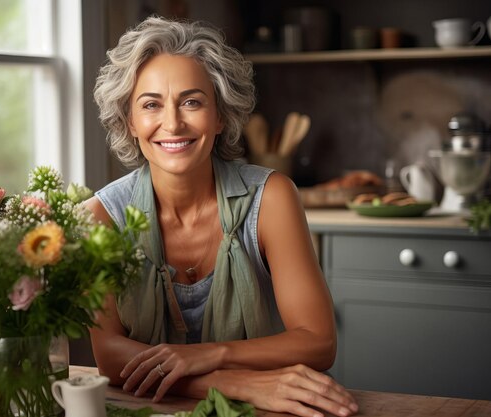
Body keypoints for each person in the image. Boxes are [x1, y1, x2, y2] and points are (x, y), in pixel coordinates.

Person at [85, 16, 358, 417]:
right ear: (130, 121)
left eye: (192, 102)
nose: (173, 123)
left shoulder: (272, 198)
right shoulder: (99, 217)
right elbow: (109, 356)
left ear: (221, 116)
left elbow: (318, 341)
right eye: (151, 105)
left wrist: (207, 355)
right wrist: (232, 383)